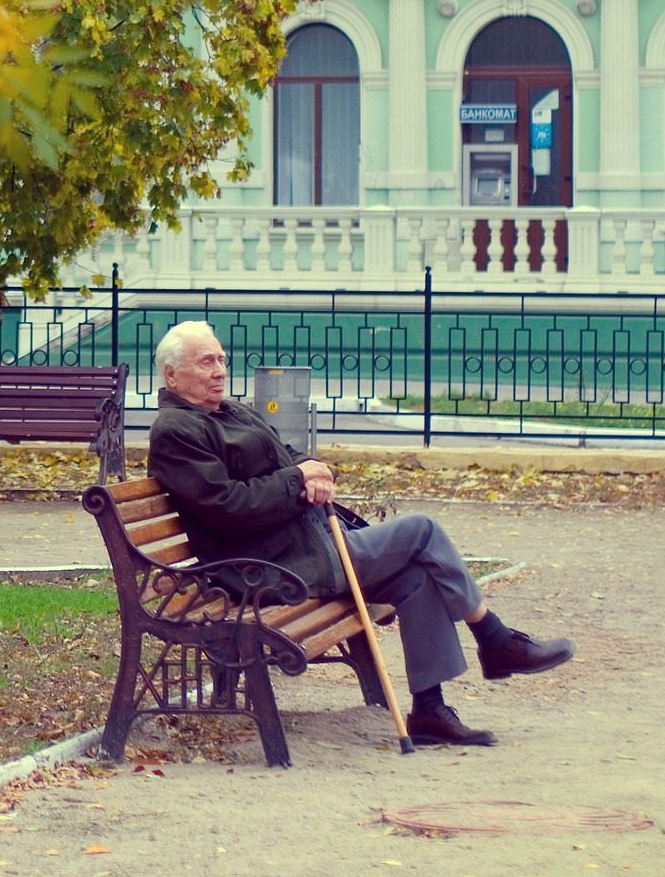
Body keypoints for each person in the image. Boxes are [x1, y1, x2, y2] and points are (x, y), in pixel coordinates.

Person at [146, 320, 574, 747]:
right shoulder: (177, 431)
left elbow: (290, 457)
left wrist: (316, 472)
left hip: (300, 546)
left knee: (417, 578)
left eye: (221, 359)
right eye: (206, 362)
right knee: (422, 530)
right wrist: (297, 480)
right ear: (172, 374)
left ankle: (429, 710)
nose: (220, 369)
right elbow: (228, 508)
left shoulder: (230, 411)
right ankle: (495, 639)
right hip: (267, 566)